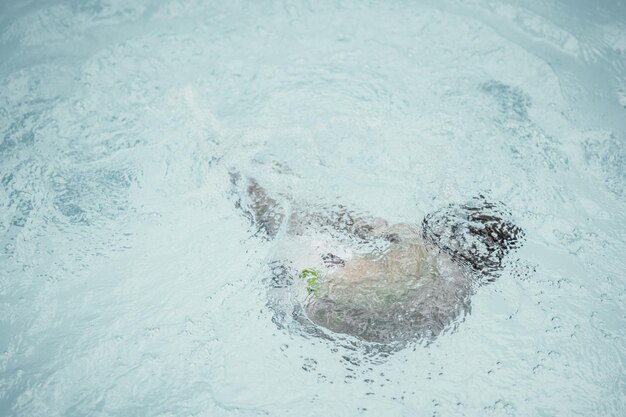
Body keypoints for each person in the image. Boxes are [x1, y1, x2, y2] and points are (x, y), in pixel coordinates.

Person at [231, 172, 524, 345]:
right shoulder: (459, 296)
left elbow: (364, 233)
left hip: (306, 303)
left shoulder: (418, 248)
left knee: (290, 225)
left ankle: (240, 175)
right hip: (363, 344)